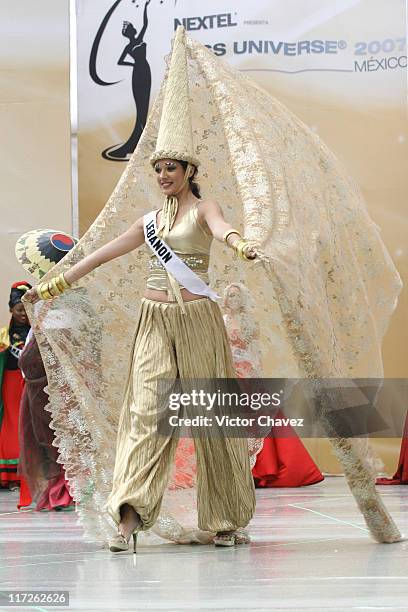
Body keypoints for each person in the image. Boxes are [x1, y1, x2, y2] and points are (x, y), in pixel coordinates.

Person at [23, 27, 402, 547]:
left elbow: (223, 230)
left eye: (170, 167)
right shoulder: (148, 219)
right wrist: (49, 288)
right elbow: (100, 254)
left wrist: (242, 245)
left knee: (211, 418)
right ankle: (129, 518)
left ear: (188, 170)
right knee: (144, 416)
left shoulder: (204, 208)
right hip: (154, 321)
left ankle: (223, 516)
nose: (162, 175)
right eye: (156, 168)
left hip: (199, 320)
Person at [223, 283, 324, 488]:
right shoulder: (222, 321)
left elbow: (255, 349)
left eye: (236, 295)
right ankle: (230, 471)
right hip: (229, 372)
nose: (233, 299)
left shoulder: (248, 321)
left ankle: (262, 468)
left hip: (247, 373)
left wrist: (255, 374)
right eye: (230, 295)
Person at [15, 230, 77, 511]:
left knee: (57, 438)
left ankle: (67, 492)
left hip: (54, 387)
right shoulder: (46, 302)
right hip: (38, 385)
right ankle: (57, 492)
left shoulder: (69, 304)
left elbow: (56, 349)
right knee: (44, 438)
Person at [0, 282, 31, 489]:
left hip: (29, 383)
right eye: (20, 310)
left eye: (27, 310)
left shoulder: (36, 333)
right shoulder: (4, 335)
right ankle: (9, 474)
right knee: (11, 422)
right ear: (11, 309)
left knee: (28, 424)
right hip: (11, 383)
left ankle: (28, 471)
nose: (23, 314)